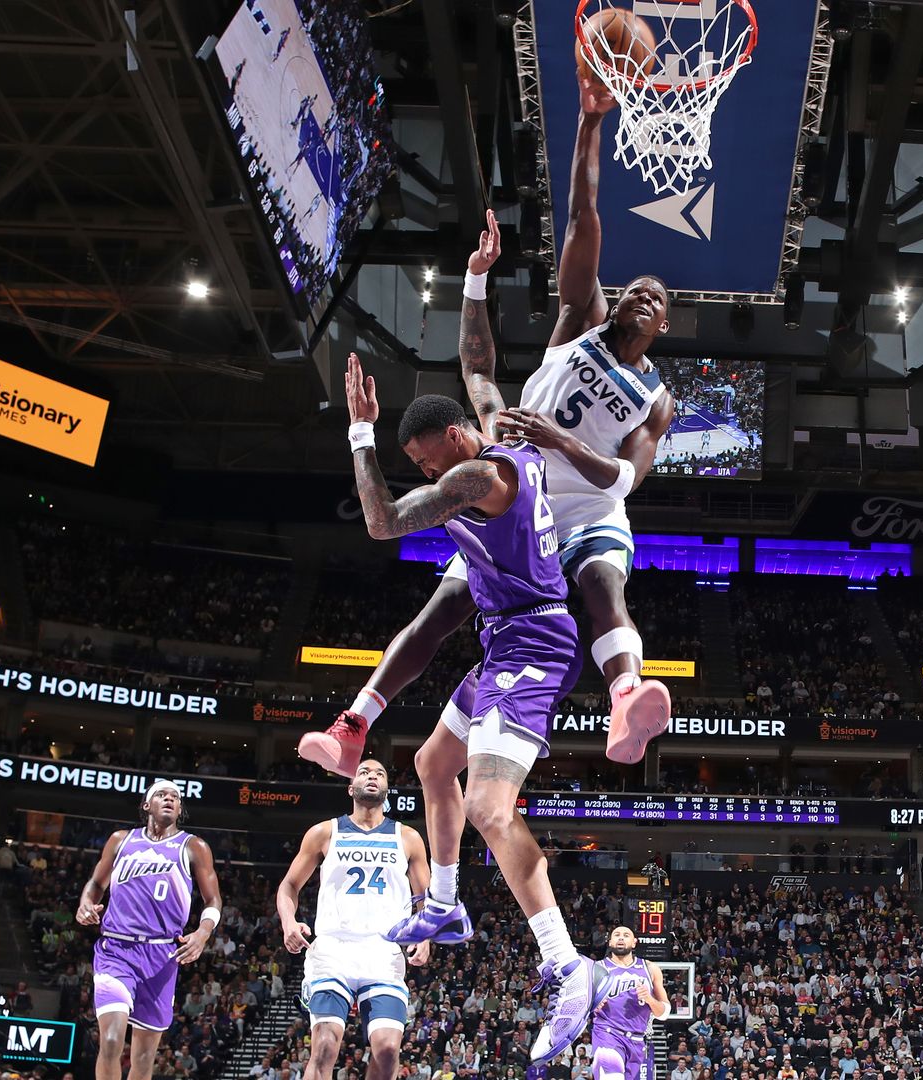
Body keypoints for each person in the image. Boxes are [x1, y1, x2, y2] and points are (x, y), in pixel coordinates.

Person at [298, 61, 679, 776]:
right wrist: (591, 126)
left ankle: (625, 695)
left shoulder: (656, 399)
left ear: (665, 322)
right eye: (632, 288)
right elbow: (580, 221)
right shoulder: (580, 323)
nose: (639, 296)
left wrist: (559, 438)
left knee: (602, 586)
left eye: (655, 298)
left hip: (585, 500)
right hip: (518, 485)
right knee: (441, 608)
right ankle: (354, 724)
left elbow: (628, 477)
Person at [321, 354, 599, 1068]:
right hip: (506, 638)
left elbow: (381, 522)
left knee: (489, 808)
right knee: (431, 761)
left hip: (535, 640)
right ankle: (443, 900)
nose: (418, 470)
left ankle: (568, 965)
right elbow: (478, 367)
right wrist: (476, 284)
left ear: (452, 438)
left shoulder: (480, 477)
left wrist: (361, 433)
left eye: (420, 457)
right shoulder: (495, 431)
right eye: (408, 460)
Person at [276, 760, 432, 1080]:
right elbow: (288, 885)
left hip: (384, 951)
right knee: (324, 1046)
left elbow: (425, 898)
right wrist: (289, 923)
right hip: (334, 948)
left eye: (379, 773)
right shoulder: (325, 832)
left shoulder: (408, 837)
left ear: (387, 789)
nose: (372, 776)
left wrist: (424, 935)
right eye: (364, 772)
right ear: (351, 788)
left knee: (388, 1050)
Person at [76, 781, 223, 1080]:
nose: (169, 799)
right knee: (112, 1040)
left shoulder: (194, 846)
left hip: (162, 955)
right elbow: (96, 884)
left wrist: (203, 933)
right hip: (116, 950)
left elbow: (213, 899)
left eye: (175, 797)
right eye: (161, 795)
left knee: (143, 1060)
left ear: (180, 809)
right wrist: (86, 902)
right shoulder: (121, 840)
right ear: (147, 805)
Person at [585, 927, 669, 1080]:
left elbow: (664, 1013)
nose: (621, 938)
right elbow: (581, 1006)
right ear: (610, 942)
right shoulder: (596, 969)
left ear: (634, 942)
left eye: (626, 935)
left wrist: (650, 1000)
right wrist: (592, 1006)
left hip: (636, 1040)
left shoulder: (650, 969)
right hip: (607, 1034)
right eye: (616, 935)